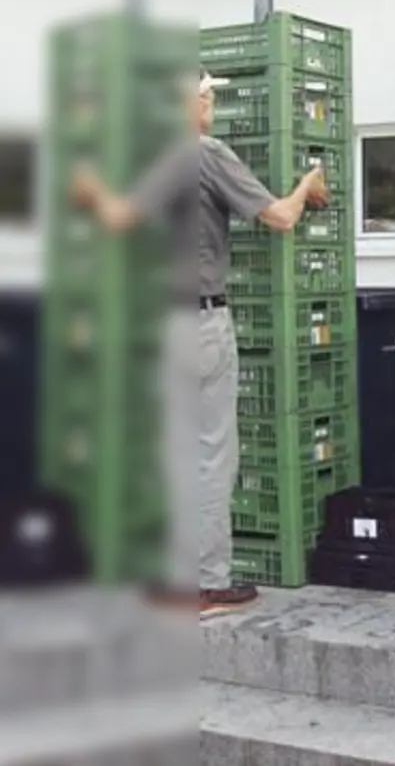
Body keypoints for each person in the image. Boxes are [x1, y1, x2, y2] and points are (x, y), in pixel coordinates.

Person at [70, 70, 328, 616]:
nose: (210, 100)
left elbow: (116, 218)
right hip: (200, 323)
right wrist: (309, 184)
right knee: (212, 453)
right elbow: (280, 218)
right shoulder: (203, 152)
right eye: (203, 93)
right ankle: (206, 584)